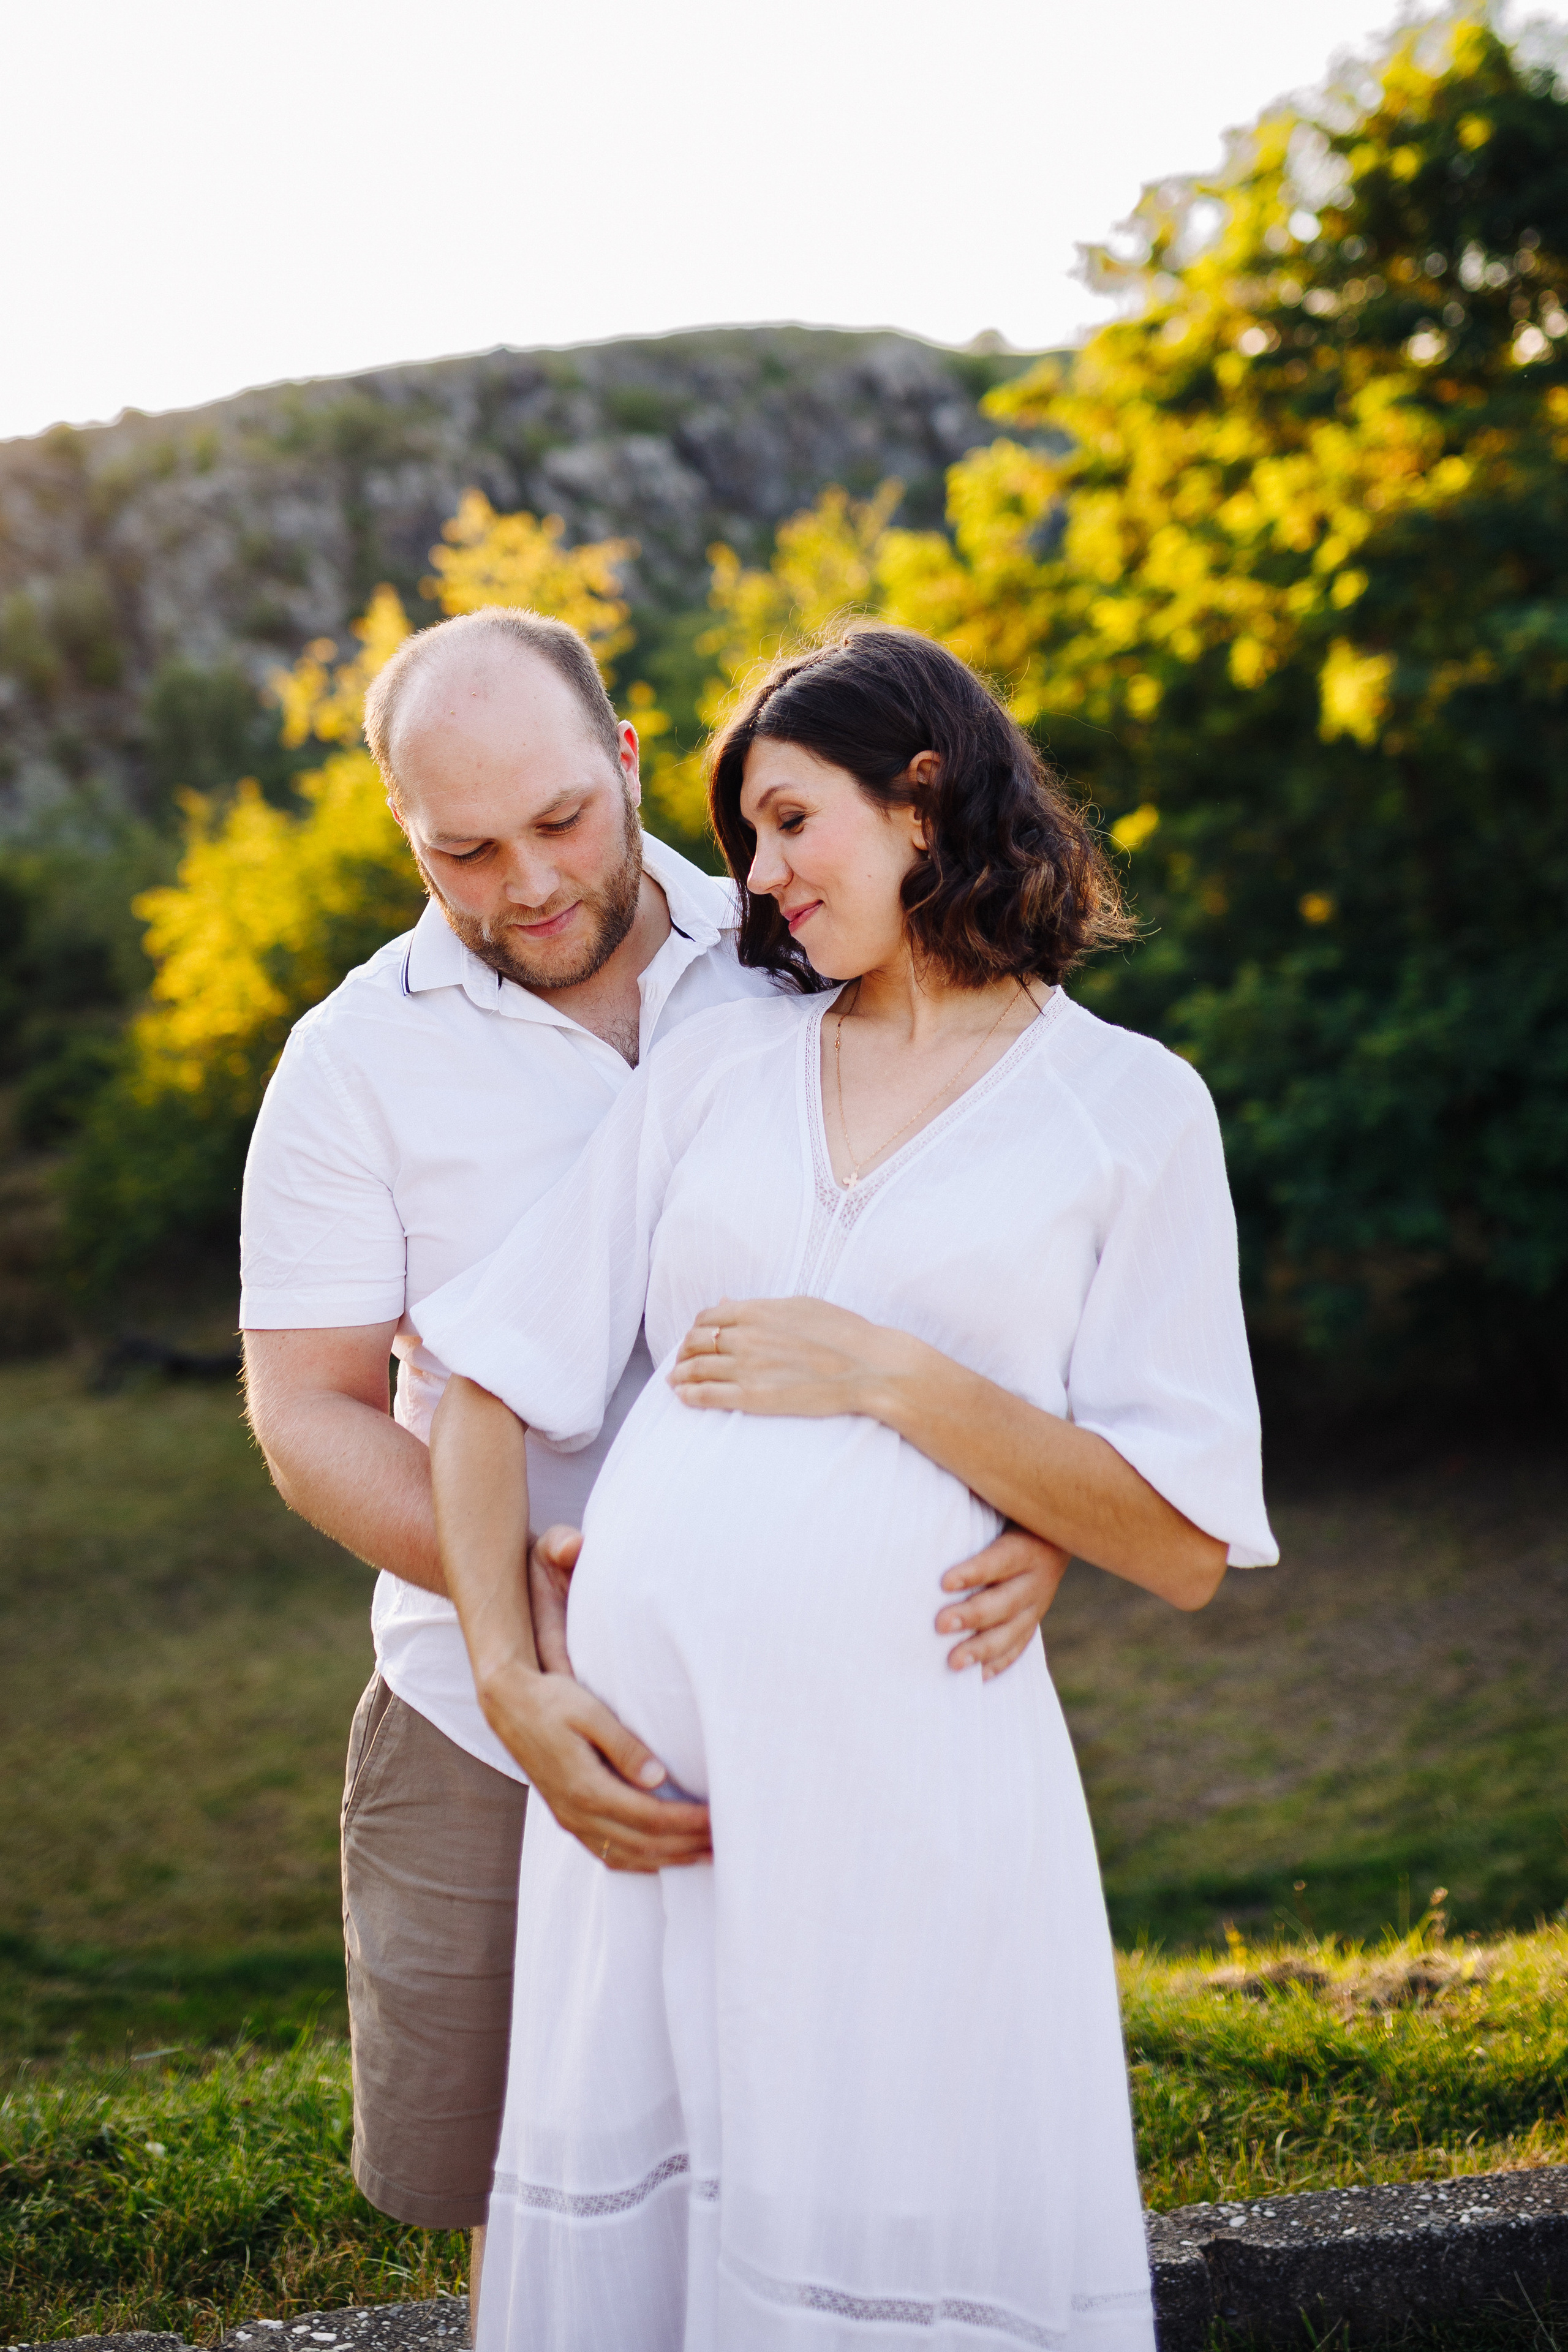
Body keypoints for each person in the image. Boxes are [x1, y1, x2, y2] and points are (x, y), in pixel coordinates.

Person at [417, 625, 1279, 2352]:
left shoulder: (1129, 1111)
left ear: (925, 796)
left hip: (904, 1787)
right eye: (744, 836)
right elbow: (489, 1376)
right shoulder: (724, 1063)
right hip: (656, 1794)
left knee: (877, 2221)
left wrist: (897, 1380)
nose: (762, 875)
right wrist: (519, 1679)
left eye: (792, 821)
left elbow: (1183, 1540)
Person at [238, 605, 1066, 2318]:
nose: (526, 885)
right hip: (485, 1718)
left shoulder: (804, 931)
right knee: (531, 2205)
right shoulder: (348, 1065)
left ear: (625, 761)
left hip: (834, 1690)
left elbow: (988, 1229)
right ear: (405, 832)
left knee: (842, 2148)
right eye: (463, 850)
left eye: (559, 821)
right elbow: (305, 1406)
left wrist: (1037, 1502)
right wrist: (511, 1633)